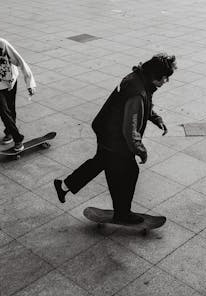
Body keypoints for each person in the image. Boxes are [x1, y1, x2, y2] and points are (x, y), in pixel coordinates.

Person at [54, 53, 177, 224]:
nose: (166, 81)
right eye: (165, 78)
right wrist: (140, 150)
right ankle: (122, 214)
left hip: (106, 129)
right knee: (129, 172)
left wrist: (156, 118)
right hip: (115, 138)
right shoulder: (137, 92)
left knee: (102, 163)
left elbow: (144, 104)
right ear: (155, 76)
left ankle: (64, 186)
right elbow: (130, 129)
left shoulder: (139, 79)